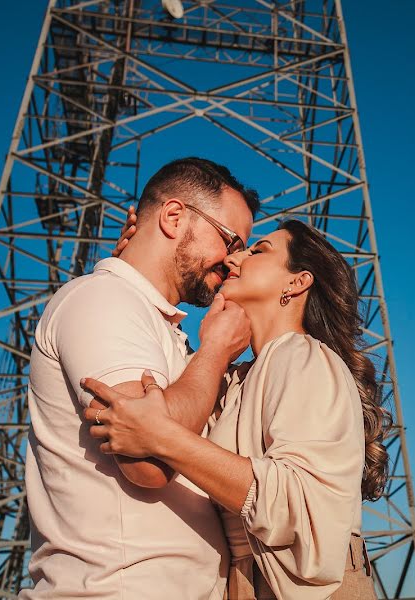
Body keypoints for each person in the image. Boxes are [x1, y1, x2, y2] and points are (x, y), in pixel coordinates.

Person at [80, 219, 388, 599]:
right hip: (245, 582)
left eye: (258, 251)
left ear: (296, 283)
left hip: (313, 589)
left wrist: (163, 438)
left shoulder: (305, 358)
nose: (235, 256)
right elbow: (180, 420)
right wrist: (133, 273)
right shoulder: (235, 379)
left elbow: (296, 501)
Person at [20, 157, 259, 599]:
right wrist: (216, 352)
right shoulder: (103, 299)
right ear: (173, 217)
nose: (234, 261)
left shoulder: (152, 322)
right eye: (231, 241)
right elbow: (147, 465)